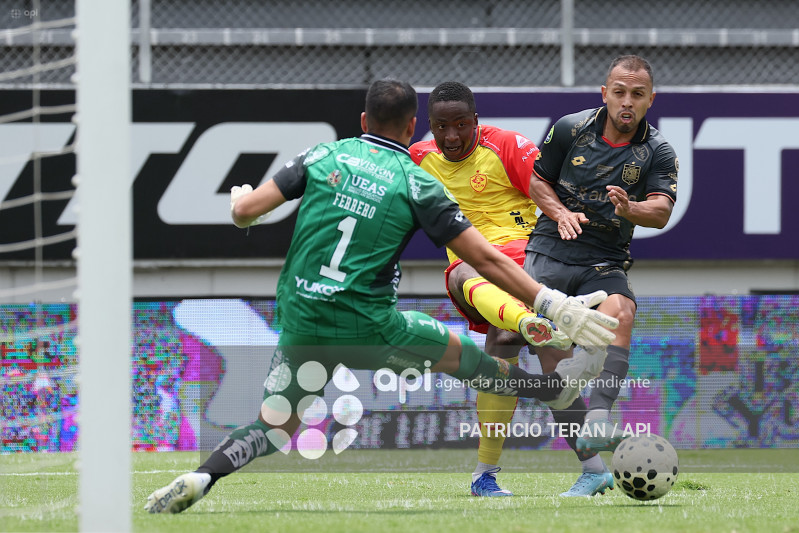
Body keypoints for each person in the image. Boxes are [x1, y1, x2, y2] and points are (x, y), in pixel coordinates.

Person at [144, 79, 618, 514]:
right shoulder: (416, 181)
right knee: (462, 356)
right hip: (370, 327)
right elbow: (490, 261)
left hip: (302, 324)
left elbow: (246, 212)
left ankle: (204, 475)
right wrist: (553, 303)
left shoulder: (320, 156)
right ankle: (552, 388)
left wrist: (238, 199)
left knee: (275, 426)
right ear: (415, 127)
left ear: (364, 121)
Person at [524, 55, 678, 497]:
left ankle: (601, 414)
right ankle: (592, 469)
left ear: (650, 99)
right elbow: (537, 181)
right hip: (550, 248)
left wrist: (631, 209)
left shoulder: (657, 151)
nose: (626, 102)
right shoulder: (570, 129)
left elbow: (662, 211)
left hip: (603, 258)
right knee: (555, 368)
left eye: (637, 94)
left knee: (622, 313)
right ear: (604, 92)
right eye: (619, 91)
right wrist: (559, 211)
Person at [410, 81, 572, 498]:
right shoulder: (416, 162)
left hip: (529, 264)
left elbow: (549, 194)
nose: (451, 136)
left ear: (475, 121)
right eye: (441, 127)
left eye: (461, 125)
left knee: (514, 352)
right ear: (429, 126)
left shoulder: (507, 146)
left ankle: (588, 466)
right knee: (464, 272)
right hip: (476, 270)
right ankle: (532, 321)